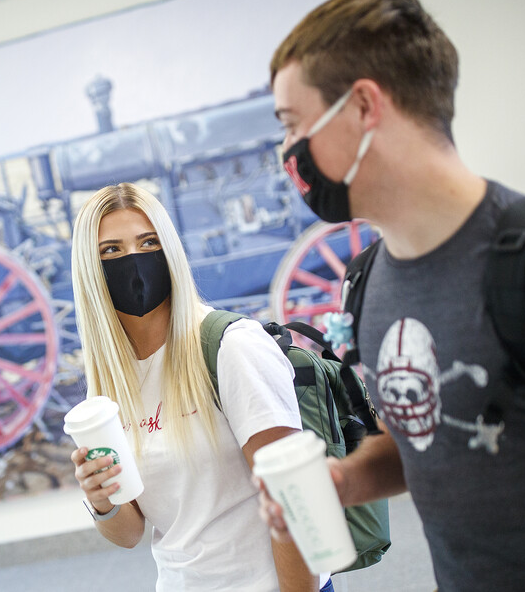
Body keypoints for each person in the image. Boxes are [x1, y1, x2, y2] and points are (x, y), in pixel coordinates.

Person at [257, 0, 525, 591]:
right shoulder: (368, 281)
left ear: (364, 106)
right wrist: (344, 481)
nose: (288, 152)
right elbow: (419, 439)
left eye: (293, 124)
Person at [68, 182, 330, 591]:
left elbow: (296, 500)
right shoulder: (108, 387)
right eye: (111, 250)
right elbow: (130, 533)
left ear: (169, 249)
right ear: (89, 267)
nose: (132, 261)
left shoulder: (231, 347)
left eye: (147, 242)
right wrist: (100, 500)